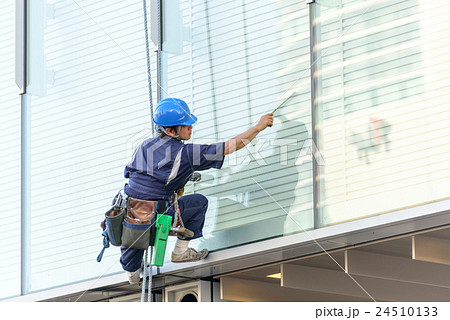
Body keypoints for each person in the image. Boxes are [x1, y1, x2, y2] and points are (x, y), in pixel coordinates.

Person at [120, 97, 273, 284]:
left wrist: (183, 175)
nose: (191, 128)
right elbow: (230, 146)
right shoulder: (186, 154)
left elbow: (140, 174)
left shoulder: (144, 145)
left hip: (131, 212)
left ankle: (132, 273)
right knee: (199, 203)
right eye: (186, 125)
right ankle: (180, 252)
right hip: (159, 213)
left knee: (134, 248)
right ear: (171, 130)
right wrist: (258, 127)